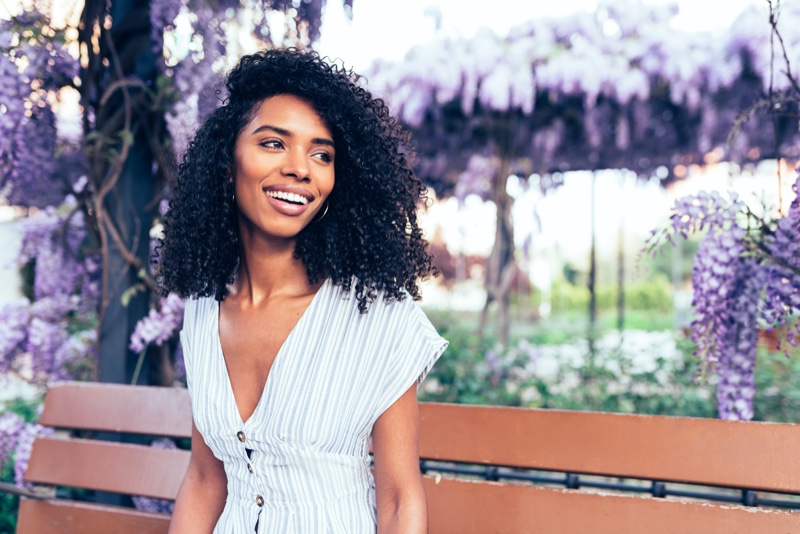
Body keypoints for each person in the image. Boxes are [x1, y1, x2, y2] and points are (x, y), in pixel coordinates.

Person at [159, 48, 448, 533]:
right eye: (274, 143)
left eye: (322, 154)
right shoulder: (204, 310)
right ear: (227, 163)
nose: (301, 168)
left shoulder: (377, 315)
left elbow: (400, 499)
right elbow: (206, 480)